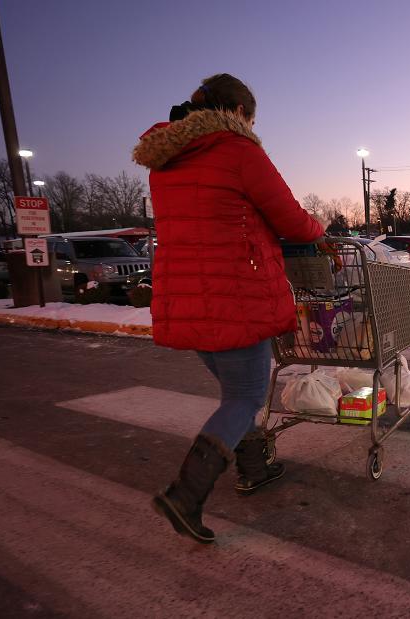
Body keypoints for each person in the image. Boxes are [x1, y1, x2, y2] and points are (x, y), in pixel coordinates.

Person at [132, 73, 323, 544]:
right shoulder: (239, 150)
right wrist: (320, 227)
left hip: (187, 300)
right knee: (245, 398)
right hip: (236, 296)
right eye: (252, 119)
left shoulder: (165, 162)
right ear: (238, 113)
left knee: (237, 393)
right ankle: (185, 496)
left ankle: (255, 469)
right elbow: (292, 221)